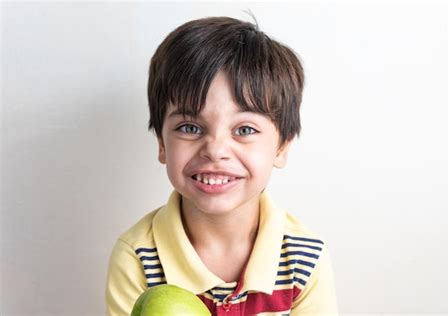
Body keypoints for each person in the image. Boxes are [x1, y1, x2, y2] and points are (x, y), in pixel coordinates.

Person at [106, 16, 338, 315]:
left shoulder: (304, 260)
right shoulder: (137, 257)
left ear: (281, 147)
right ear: (162, 144)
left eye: (244, 130)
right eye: (190, 127)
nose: (215, 150)